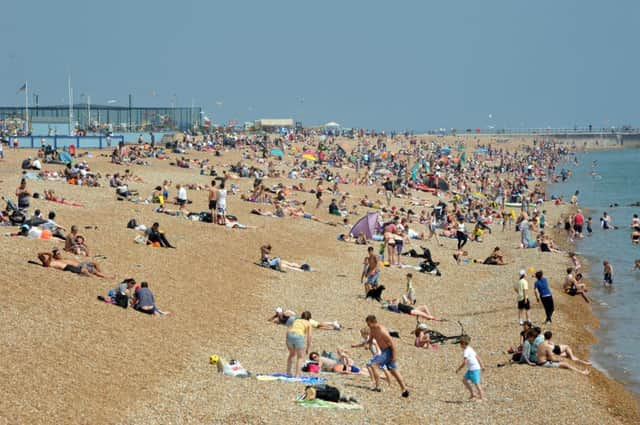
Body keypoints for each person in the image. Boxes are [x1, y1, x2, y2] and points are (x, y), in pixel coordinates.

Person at [360, 315, 409, 397]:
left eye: (369, 324)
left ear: (373, 322)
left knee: (373, 365)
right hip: (384, 352)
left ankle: (378, 387)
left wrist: (394, 356)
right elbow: (371, 339)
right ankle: (404, 390)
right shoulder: (373, 330)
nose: (368, 326)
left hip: (388, 351)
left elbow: (392, 343)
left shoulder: (382, 331)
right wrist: (367, 344)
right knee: (394, 371)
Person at [456, 335, 485, 401]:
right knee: (464, 380)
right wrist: (482, 365)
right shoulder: (470, 348)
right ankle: (472, 394)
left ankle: (482, 397)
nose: (460, 345)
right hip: (471, 369)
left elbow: (465, 362)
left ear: (463, 343)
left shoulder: (466, 351)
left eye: (460, 343)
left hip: (474, 369)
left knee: (477, 383)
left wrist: (459, 369)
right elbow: (477, 357)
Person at [286, 311, 313, 377]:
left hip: (290, 335)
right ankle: (297, 374)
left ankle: (288, 373)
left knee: (291, 354)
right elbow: (309, 336)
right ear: (309, 318)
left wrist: (286, 340)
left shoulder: (296, 320)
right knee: (300, 357)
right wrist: (308, 348)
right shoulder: (308, 323)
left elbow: (289, 329)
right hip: (299, 336)